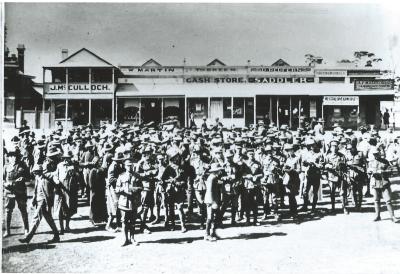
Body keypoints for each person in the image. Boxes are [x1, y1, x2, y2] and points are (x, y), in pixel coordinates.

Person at [19, 163, 60, 244]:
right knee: (49, 219)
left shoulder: (46, 178)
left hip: (43, 201)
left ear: (40, 171)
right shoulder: (37, 179)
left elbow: (55, 178)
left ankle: (28, 237)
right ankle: (56, 236)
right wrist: (33, 202)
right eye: (34, 172)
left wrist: (56, 182)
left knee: (35, 218)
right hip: (38, 201)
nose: (35, 173)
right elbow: (35, 191)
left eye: (36, 172)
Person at [3, 148, 30, 237]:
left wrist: (23, 179)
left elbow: (29, 177)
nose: (13, 157)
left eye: (14, 155)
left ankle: (26, 229)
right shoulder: (6, 166)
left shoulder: (22, 165)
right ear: (8, 157)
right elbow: (2, 179)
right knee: (8, 211)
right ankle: (7, 231)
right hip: (9, 191)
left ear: (17, 156)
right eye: (11, 156)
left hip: (20, 191)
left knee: (23, 210)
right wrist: (5, 183)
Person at [115, 159, 142, 246]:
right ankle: (125, 239)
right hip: (124, 202)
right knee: (124, 221)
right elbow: (117, 189)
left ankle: (132, 238)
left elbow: (141, 187)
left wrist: (136, 189)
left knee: (133, 222)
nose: (129, 167)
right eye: (127, 165)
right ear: (125, 166)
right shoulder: (121, 176)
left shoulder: (137, 176)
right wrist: (124, 189)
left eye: (131, 165)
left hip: (134, 202)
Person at [367, 147, 398, 223]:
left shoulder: (385, 161)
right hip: (375, 183)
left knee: (388, 200)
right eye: (374, 154)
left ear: (380, 153)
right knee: (376, 200)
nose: (376, 156)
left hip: (384, 183)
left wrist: (383, 171)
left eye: (377, 154)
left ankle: (392, 216)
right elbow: (368, 172)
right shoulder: (371, 162)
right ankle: (377, 215)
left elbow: (392, 171)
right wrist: (369, 172)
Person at [204, 163, 224, 241]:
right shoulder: (212, 178)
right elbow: (210, 191)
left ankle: (213, 233)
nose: (220, 171)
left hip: (214, 199)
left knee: (214, 217)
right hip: (211, 200)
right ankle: (207, 234)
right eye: (219, 170)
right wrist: (213, 202)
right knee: (210, 217)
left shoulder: (214, 177)